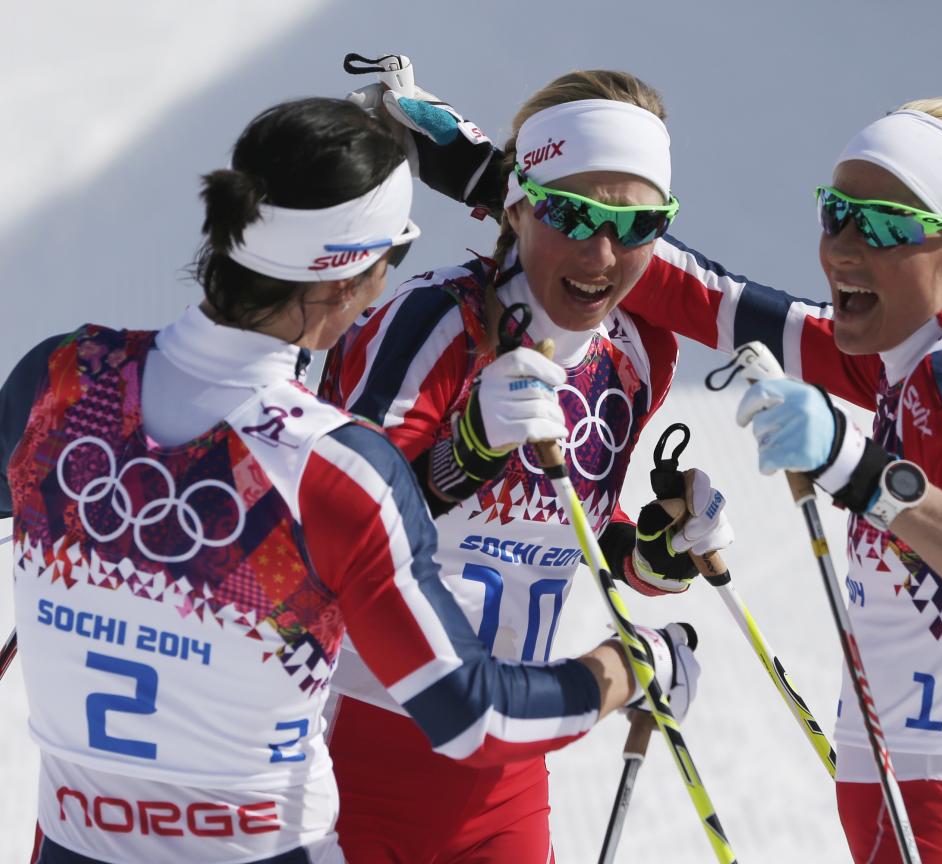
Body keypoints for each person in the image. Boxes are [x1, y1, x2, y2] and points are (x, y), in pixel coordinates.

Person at [0, 96, 701, 864]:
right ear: (352, 280)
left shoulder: (60, 375)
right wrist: (636, 664)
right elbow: (477, 720)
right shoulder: (333, 468)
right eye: (395, 256)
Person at [615, 98, 942, 863]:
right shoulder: (923, 354)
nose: (842, 248)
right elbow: (713, 301)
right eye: (835, 213)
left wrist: (853, 467)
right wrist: (513, 183)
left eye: (879, 227)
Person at [319, 71, 733, 862]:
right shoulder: (438, 322)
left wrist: (652, 553)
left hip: (507, 770)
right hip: (362, 743)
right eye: (571, 214)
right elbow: (334, 528)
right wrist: (466, 453)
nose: (601, 254)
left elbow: (568, 523)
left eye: (637, 224)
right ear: (516, 205)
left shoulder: (637, 357)